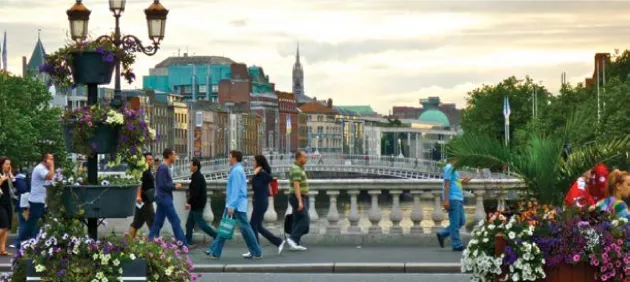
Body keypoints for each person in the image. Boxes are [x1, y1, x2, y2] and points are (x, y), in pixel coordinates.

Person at [205, 150, 262, 259]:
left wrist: (232, 205)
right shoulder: (237, 170)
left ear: (234, 158)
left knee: (244, 229)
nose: (228, 159)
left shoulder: (236, 171)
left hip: (235, 205)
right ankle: (214, 250)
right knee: (225, 227)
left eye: (229, 157)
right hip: (234, 204)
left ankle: (256, 250)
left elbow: (235, 190)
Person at [243, 155, 284, 258]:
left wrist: (255, 175)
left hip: (260, 202)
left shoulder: (262, 173)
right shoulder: (261, 173)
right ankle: (278, 242)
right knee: (258, 227)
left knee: (252, 225)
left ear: (259, 163)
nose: (253, 163)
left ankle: (255, 250)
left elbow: (258, 185)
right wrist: (254, 177)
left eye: (254, 161)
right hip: (260, 201)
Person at [148, 149, 187, 245]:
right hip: (164, 197)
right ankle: (183, 245)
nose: (175, 156)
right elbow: (162, 185)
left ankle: (150, 242)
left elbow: (162, 184)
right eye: (174, 155)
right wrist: (175, 187)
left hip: (161, 197)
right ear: (169, 156)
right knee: (175, 220)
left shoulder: (163, 167)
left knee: (158, 222)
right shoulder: (163, 168)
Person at [17, 153, 54, 248]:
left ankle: (34, 241)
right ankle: (21, 242)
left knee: (43, 222)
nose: (52, 161)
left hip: (41, 201)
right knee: (32, 222)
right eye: (51, 159)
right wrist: (52, 166)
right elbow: (50, 176)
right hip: (37, 201)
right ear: (45, 160)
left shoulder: (44, 169)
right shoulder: (40, 168)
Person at [436, 159, 471, 252]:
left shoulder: (454, 169)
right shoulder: (448, 168)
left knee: (461, 221)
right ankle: (456, 245)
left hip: (458, 198)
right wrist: (446, 200)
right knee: (455, 223)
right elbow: (446, 185)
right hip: (452, 199)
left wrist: (462, 182)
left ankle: (442, 234)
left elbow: (454, 182)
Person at [185, 158, 216, 246]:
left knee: (201, 223)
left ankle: (216, 235)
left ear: (196, 166)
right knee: (189, 224)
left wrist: (188, 202)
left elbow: (195, 193)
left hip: (197, 204)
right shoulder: (197, 176)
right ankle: (187, 242)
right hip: (197, 203)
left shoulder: (197, 177)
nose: (189, 167)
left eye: (191, 165)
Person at [286, 151, 309, 251]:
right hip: (297, 197)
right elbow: (296, 186)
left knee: (297, 219)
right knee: (305, 220)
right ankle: (293, 238)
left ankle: (295, 243)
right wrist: (300, 201)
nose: (306, 159)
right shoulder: (296, 169)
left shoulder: (299, 168)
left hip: (299, 197)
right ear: (299, 158)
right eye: (305, 157)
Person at [129, 152, 156, 238]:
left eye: (152, 159)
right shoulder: (144, 171)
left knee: (136, 223)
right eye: (149, 160)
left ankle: (128, 243)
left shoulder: (148, 171)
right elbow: (139, 183)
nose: (151, 161)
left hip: (143, 202)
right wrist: (138, 196)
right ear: (144, 161)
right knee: (153, 223)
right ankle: (155, 244)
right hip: (145, 201)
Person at [0, 158, 15, 255]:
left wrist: (10, 174)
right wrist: (1, 181)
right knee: (3, 225)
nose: (8, 166)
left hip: (7, 202)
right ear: (1, 165)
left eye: (9, 164)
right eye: (6, 164)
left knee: (6, 227)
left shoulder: (7, 175)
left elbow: (13, 185)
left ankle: (2, 249)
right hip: (0, 202)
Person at [10, 170, 28, 249]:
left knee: (22, 223)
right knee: (24, 223)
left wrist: (14, 181)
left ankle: (18, 243)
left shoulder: (18, 179)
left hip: (23, 204)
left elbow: (23, 189)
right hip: (24, 203)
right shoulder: (22, 178)